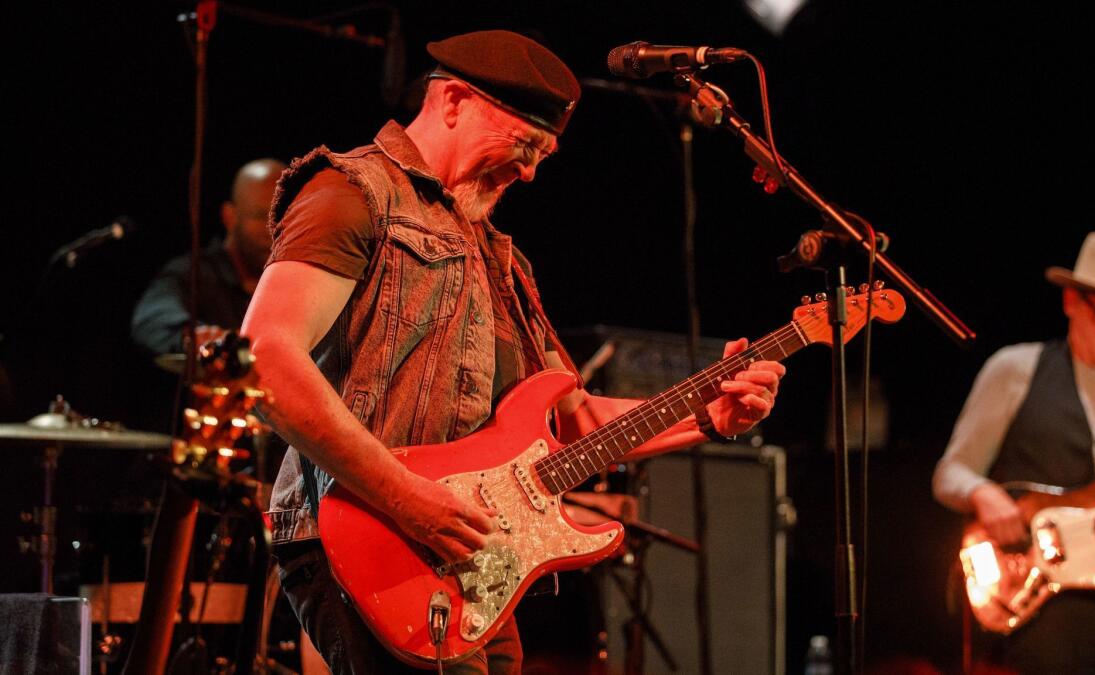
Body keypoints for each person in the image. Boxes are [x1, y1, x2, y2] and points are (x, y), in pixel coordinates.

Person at [241, 30, 786, 674]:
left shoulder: (500, 258)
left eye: (542, 155)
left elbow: (572, 421)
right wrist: (406, 497)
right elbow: (264, 359)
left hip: (470, 564)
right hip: (369, 536)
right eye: (523, 144)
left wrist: (707, 417)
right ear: (453, 100)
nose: (528, 172)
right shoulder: (352, 192)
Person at [933, 231, 1095, 673]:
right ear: (1071, 301)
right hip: (1045, 605)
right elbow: (950, 473)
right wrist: (984, 495)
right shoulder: (1016, 369)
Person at [131, 158, 285, 356]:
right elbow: (150, 319)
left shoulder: (296, 286)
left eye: (284, 217)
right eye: (260, 215)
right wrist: (201, 339)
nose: (273, 230)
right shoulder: (193, 273)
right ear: (229, 216)